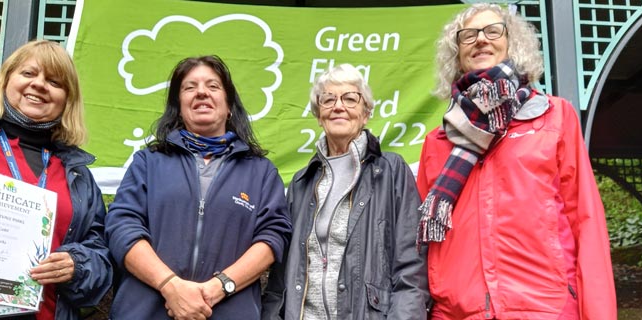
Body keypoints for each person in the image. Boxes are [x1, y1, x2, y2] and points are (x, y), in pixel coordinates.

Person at [416, 3, 616, 319]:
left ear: (514, 44)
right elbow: (422, 244)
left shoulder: (555, 116)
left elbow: (586, 222)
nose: (481, 40)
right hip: (457, 313)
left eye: (493, 31)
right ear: (456, 54)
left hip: (545, 308)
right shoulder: (437, 142)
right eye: (468, 36)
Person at [105, 55, 292, 320]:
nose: (201, 92)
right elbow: (122, 227)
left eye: (213, 86)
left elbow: (273, 237)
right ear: (178, 106)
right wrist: (170, 286)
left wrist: (219, 288)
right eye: (189, 87)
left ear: (229, 107)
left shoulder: (261, 172)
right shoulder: (148, 162)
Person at [0, 40, 112, 319]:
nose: (39, 84)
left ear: (66, 99)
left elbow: (102, 258)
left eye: (54, 81)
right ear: (6, 79)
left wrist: (77, 265)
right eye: (28, 73)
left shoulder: (79, 177)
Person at [262, 64, 429, 319]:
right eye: (328, 99)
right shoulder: (301, 183)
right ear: (319, 115)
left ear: (366, 114)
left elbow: (411, 269)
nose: (338, 106)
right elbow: (279, 280)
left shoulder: (391, 171)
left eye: (350, 99)